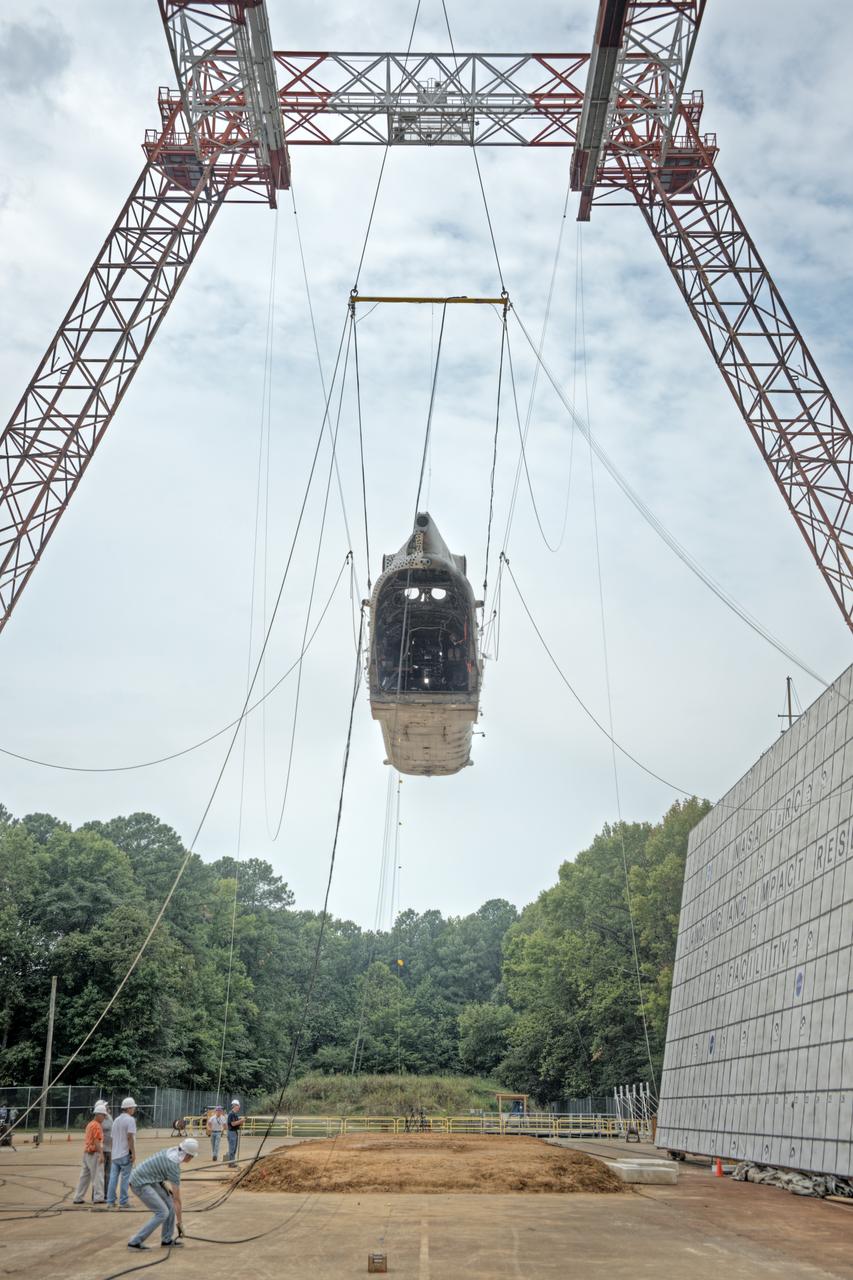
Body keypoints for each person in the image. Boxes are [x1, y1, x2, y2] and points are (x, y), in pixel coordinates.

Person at [127, 1137, 198, 1251]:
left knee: (169, 1203)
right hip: (139, 1183)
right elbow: (177, 1200)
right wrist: (180, 1224)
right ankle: (135, 1242)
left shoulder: (172, 1151)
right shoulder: (173, 1167)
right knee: (162, 1212)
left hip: (149, 1179)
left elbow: (158, 1171)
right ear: (189, 1155)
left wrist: (165, 1189)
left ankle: (166, 1240)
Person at [73, 1101, 107, 1204]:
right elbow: (97, 1141)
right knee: (98, 1176)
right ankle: (99, 1197)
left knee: (84, 1177)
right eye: (103, 1115)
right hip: (94, 1153)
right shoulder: (97, 1125)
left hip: (87, 1153)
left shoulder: (90, 1124)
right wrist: (101, 1154)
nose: (104, 1117)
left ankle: (78, 1197)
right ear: (98, 1114)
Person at [106, 1098, 137, 1208]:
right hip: (125, 1154)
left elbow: (113, 1139)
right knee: (125, 1178)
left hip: (115, 1154)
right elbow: (130, 1138)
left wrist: (112, 1152)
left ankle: (110, 1201)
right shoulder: (130, 1120)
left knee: (113, 1178)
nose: (134, 1109)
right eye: (133, 1107)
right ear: (128, 1108)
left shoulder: (116, 1120)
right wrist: (132, 1153)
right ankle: (123, 1202)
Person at [98, 1100, 113, 1191]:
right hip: (103, 1150)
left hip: (109, 1149)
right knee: (101, 1174)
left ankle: (106, 1193)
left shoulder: (108, 1117)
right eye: (106, 1107)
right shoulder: (101, 1121)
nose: (108, 1108)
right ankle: (99, 1194)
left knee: (108, 1173)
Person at [226, 1099, 243, 1167]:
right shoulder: (231, 1114)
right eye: (238, 1106)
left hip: (234, 1132)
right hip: (231, 1133)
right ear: (235, 1106)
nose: (239, 1107)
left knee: (234, 1148)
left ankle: (232, 1162)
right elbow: (233, 1124)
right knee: (232, 1148)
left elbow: (236, 1124)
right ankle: (231, 1163)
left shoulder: (235, 1115)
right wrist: (241, 1121)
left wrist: (240, 1122)